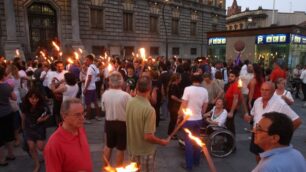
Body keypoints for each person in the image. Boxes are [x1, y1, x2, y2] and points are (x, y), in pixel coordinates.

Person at [244, 81, 302, 162]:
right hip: (257, 134)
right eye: (262, 89)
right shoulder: (257, 101)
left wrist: (283, 136)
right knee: (258, 157)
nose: (264, 92)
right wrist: (249, 117)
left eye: (267, 90)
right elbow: (253, 115)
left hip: (270, 138)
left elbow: (297, 121)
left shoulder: (280, 104)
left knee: (269, 161)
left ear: (273, 91)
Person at [126, 76, 169, 172]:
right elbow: (148, 136)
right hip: (145, 152)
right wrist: (161, 142)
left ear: (136, 87)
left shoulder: (129, 102)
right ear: (149, 89)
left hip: (132, 149)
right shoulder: (149, 110)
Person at [44, 98, 93, 172]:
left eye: (83, 113)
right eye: (77, 115)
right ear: (64, 116)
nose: (82, 118)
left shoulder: (80, 129)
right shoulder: (54, 144)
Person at [179, 73, 208, 171]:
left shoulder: (188, 89)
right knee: (197, 140)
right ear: (201, 80)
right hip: (198, 118)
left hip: (188, 119)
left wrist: (179, 116)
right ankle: (196, 161)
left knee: (188, 142)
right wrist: (201, 113)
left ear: (192, 79)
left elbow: (183, 105)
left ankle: (189, 165)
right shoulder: (204, 90)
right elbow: (205, 105)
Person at [101, 71, 131, 167]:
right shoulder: (126, 95)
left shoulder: (105, 94)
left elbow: (103, 109)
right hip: (122, 124)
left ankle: (105, 167)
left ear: (110, 82)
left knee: (108, 146)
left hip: (109, 122)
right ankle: (118, 168)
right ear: (121, 82)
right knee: (120, 148)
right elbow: (130, 111)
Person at [20, 89, 50, 172]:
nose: (34, 100)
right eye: (32, 98)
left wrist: (43, 119)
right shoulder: (24, 105)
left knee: (41, 147)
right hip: (28, 128)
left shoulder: (43, 105)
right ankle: (37, 164)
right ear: (28, 98)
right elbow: (23, 116)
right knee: (31, 147)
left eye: (36, 98)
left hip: (39, 128)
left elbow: (48, 114)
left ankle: (48, 157)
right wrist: (23, 128)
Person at [0, 66, 17, 166]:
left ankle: (1, 159)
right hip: (7, 112)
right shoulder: (7, 86)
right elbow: (14, 98)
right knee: (9, 134)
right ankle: (11, 154)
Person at [83, 54, 102, 123]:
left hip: (89, 88)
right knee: (95, 102)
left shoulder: (90, 68)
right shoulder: (94, 66)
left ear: (90, 60)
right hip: (93, 87)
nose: (85, 61)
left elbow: (89, 79)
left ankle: (88, 118)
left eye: (87, 60)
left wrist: (85, 89)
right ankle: (98, 116)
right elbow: (98, 74)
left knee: (88, 104)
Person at [167, 73, 182, 139]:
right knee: (173, 120)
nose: (181, 79)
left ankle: (171, 133)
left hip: (173, 105)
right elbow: (172, 96)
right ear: (177, 79)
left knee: (173, 119)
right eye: (180, 78)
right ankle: (171, 134)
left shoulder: (173, 85)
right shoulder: (173, 86)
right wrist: (180, 100)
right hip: (173, 105)